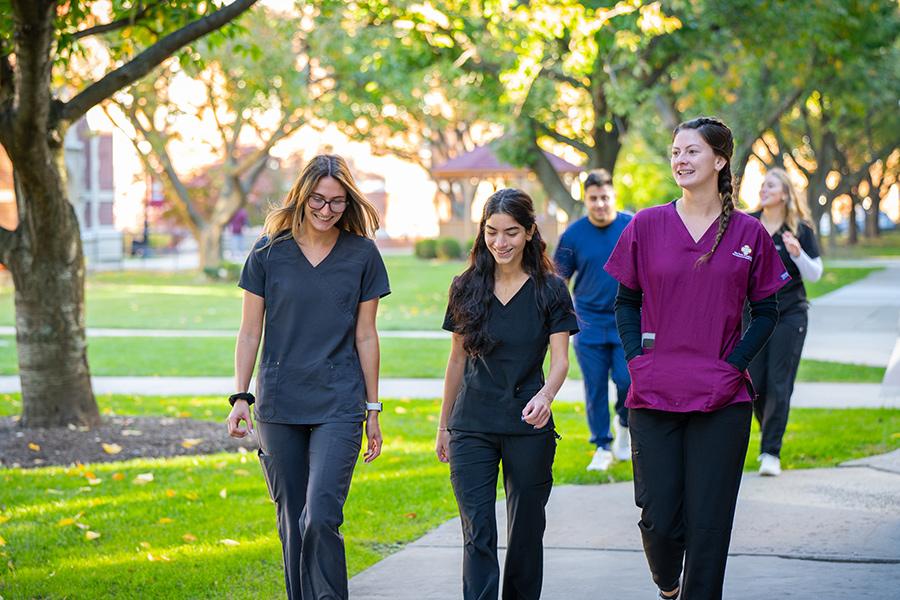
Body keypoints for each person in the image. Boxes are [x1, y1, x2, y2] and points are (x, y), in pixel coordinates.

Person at [604, 117, 790, 600]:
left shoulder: (749, 232)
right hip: (654, 389)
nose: (680, 161)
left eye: (691, 152)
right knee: (659, 517)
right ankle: (668, 582)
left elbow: (768, 311)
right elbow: (624, 301)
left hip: (722, 398)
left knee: (709, 525)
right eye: (675, 152)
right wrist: (634, 361)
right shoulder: (645, 224)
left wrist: (733, 366)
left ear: (720, 160)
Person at [226, 154, 390, 600]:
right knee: (292, 520)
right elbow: (249, 331)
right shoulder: (268, 251)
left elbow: (367, 336)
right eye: (317, 198)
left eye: (337, 201)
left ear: (348, 202)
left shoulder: (363, 255)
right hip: (279, 404)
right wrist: (241, 396)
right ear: (302, 196)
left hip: (339, 401)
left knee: (320, 515)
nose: (325, 209)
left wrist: (373, 409)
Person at [435, 188, 578, 600]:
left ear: (530, 232)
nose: (501, 242)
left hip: (528, 423)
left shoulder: (550, 289)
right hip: (472, 424)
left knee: (527, 530)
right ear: (483, 232)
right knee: (478, 530)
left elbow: (562, 361)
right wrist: (444, 426)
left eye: (511, 232)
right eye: (492, 231)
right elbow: (456, 362)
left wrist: (546, 396)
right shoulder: (465, 286)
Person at [554, 168, 633, 471]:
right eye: (593, 199)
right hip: (587, 323)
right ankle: (602, 444)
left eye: (605, 197)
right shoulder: (573, 235)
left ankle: (624, 427)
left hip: (626, 322)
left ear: (614, 196)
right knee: (595, 386)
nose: (600, 204)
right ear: (586, 200)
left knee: (628, 381)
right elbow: (558, 282)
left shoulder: (632, 226)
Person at [748, 167, 823, 476]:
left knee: (779, 382)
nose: (764, 189)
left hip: (790, 314)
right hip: (752, 315)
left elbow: (815, 274)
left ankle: (770, 452)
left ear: (784, 194)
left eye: (770, 185)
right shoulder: (747, 224)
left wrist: (796, 254)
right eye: (762, 185)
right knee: (754, 383)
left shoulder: (800, 229)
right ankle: (770, 431)